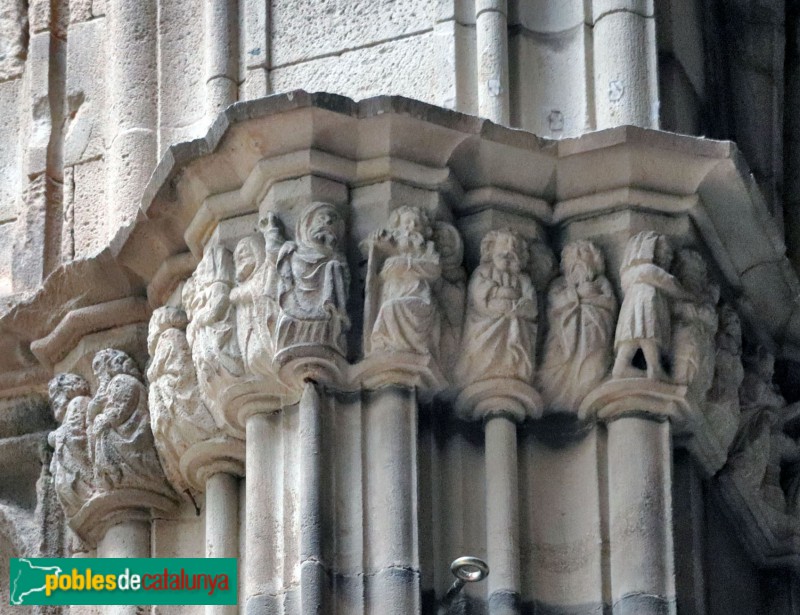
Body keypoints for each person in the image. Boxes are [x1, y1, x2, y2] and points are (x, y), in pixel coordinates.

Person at [539, 240, 617, 411]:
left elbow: (609, 303)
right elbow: (555, 302)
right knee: (555, 369)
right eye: (573, 256)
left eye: (584, 254)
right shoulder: (560, 284)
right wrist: (578, 294)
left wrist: (591, 299)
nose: (578, 259)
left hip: (595, 336)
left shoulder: (601, 282)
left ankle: (589, 397)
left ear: (596, 261)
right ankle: (557, 399)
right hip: (563, 338)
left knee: (593, 370)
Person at [456, 230, 538, 385]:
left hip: (515, 323)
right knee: (485, 354)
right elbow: (478, 297)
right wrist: (500, 293)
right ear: (491, 249)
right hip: (487, 324)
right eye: (504, 244)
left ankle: (514, 370)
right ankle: (481, 371)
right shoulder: (483, 272)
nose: (509, 250)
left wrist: (515, 307)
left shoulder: (523, 279)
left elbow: (532, 306)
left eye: (514, 247)